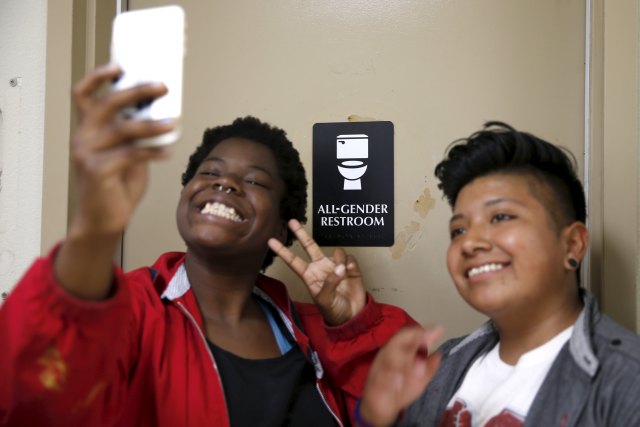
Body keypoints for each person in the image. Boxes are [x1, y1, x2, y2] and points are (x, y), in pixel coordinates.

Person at [0, 64, 415, 427]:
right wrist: (93, 230)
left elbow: (410, 409)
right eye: (210, 172)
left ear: (283, 225)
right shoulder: (131, 310)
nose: (226, 183)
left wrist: (353, 326)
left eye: (254, 181)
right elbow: (30, 397)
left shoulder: (308, 330)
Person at [357, 122, 640, 426]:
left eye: (501, 217)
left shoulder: (626, 381)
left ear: (572, 244)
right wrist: (375, 417)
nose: (469, 242)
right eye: (459, 229)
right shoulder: (444, 363)